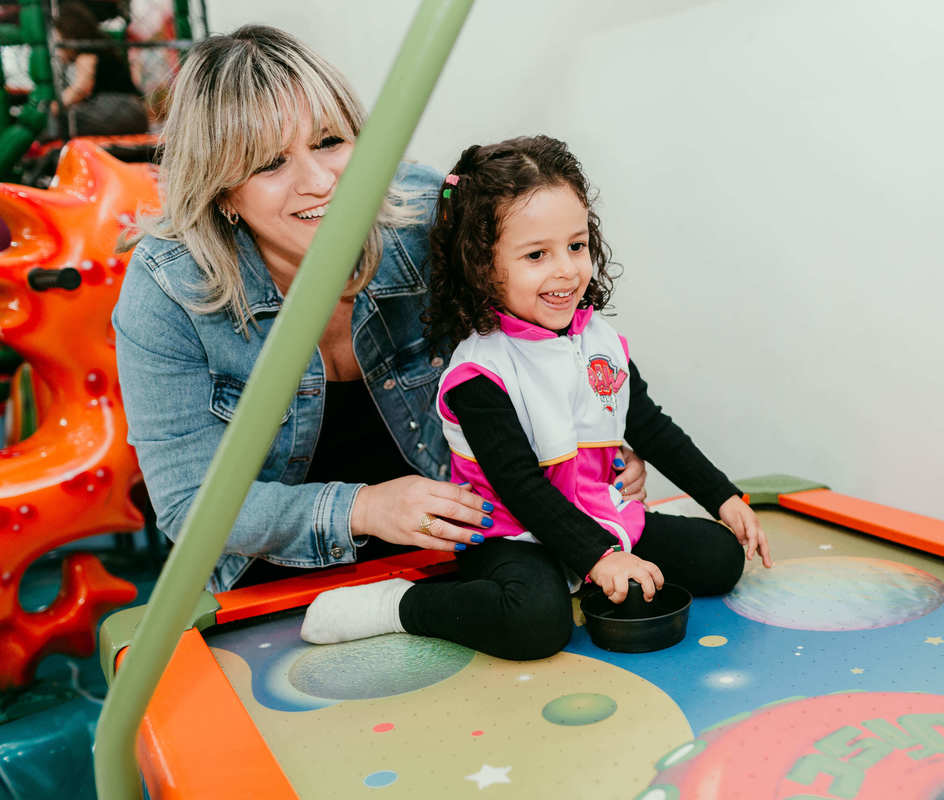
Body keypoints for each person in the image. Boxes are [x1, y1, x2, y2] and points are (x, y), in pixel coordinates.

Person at [113, 27, 646, 594]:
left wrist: (596, 441)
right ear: (222, 191)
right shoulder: (166, 290)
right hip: (271, 580)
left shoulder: (428, 215)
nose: (319, 182)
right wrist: (363, 509)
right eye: (270, 163)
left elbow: (544, 344)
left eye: (329, 142)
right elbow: (188, 508)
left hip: (468, 542)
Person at [300, 135, 773, 660]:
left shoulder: (598, 341)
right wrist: (603, 559)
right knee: (536, 624)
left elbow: (650, 425)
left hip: (596, 516)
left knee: (721, 559)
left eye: (576, 245)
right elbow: (521, 487)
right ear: (483, 266)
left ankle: (589, 573)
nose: (566, 270)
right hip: (510, 532)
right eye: (536, 255)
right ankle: (401, 605)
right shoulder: (479, 372)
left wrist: (724, 499)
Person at [50, 2, 149, 137]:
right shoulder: (101, 49)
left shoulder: (86, 54)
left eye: (59, 39)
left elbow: (81, 88)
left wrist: (54, 107)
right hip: (136, 112)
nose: (59, 50)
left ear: (69, 37)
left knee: (57, 122)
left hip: (119, 110)